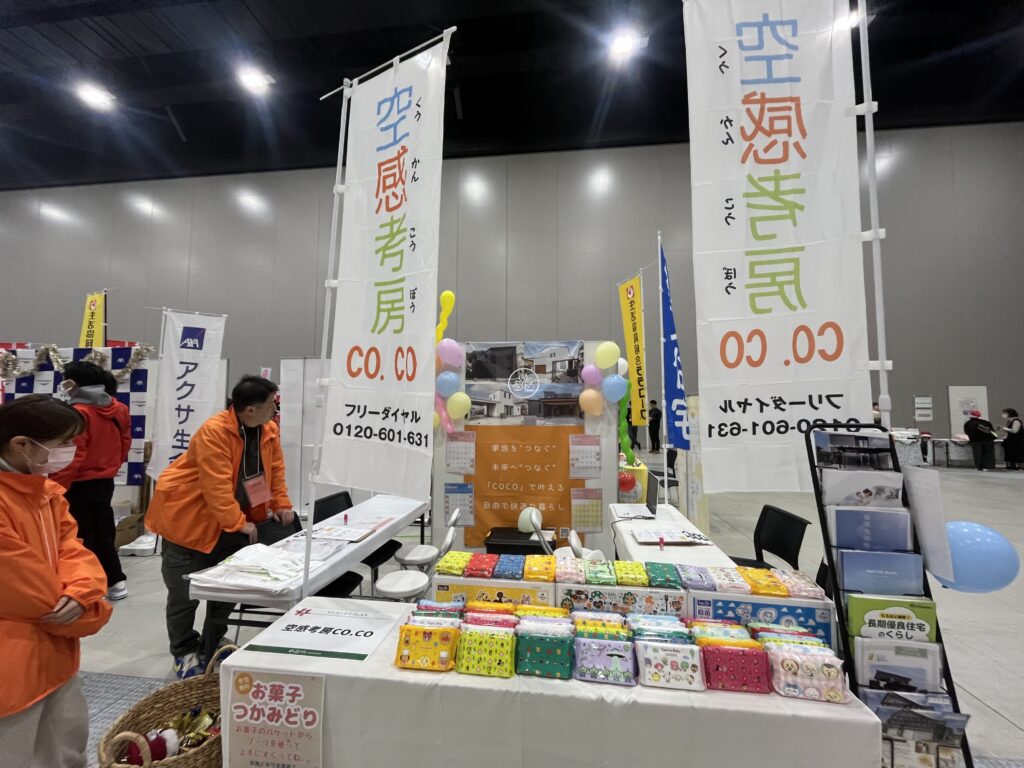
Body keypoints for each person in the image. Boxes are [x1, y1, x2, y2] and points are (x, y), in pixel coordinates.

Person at [146, 376, 294, 679]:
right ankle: (184, 650)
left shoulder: (268, 429)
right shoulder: (214, 432)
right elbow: (215, 486)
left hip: (235, 523)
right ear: (250, 409)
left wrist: (280, 503)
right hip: (188, 522)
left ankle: (212, 640)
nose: (275, 410)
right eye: (271, 404)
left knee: (228, 589)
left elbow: (275, 470)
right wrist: (237, 523)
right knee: (184, 594)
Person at [0, 395, 113, 768]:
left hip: (55, 653)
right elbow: (22, 588)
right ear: (21, 444)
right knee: (17, 753)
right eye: (64, 442)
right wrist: (89, 609)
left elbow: (73, 549)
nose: (72, 450)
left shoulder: (45, 492)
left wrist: (82, 593)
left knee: (65, 748)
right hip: (12, 663)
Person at [50, 362, 131, 601]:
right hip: (105, 480)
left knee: (80, 534)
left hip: (77, 482)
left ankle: (89, 584)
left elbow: (74, 454)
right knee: (103, 529)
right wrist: (111, 467)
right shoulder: (119, 408)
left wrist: (56, 487)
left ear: (73, 382)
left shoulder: (78, 412)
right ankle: (115, 580)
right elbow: (125, 443)